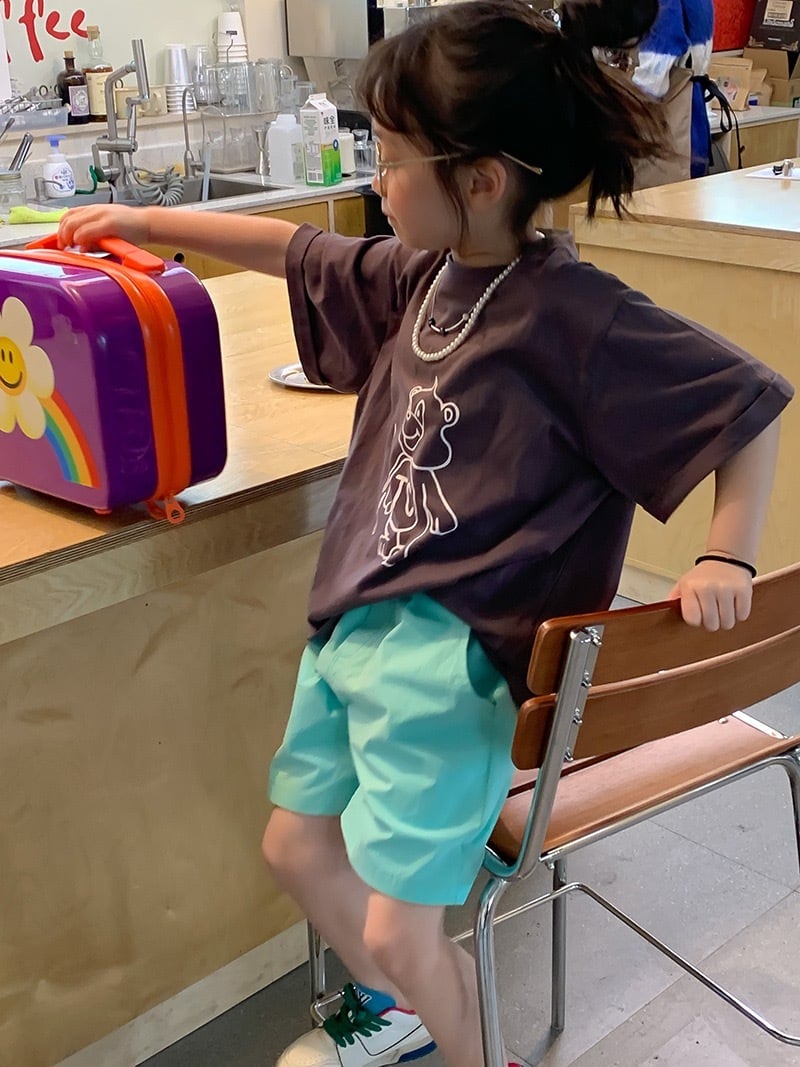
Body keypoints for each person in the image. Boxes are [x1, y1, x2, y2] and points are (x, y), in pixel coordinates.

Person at [56, 2, 792, 1065]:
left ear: (481, 180)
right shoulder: (423, 277)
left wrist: (727, 548)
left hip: (455, 665)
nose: (376, 181)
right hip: (353, 629)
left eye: (392, 160)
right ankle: (399, 1010)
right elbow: (295, 248)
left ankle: (475, 1049)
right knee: (294, 845)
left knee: (406, 927)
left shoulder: (574, 313)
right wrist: (143, 221)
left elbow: (746, 402)